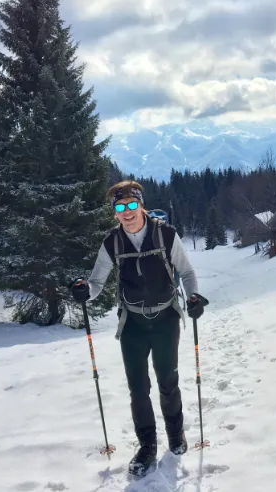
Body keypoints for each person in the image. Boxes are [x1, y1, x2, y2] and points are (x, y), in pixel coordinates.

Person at [70, 180, 207, 477]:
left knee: (167, 380)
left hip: (165, 319)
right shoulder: (111, 243)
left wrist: (193, 297)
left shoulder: (165, 235)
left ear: (141, 205)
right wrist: (84, 291)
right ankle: (147, 446)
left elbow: (185, 271)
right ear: (115, 213)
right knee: (138, 388)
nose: (127, 212)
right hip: (132, 323)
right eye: (120, 207)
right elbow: (96, 283)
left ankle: (175, 435)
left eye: (132, 205)